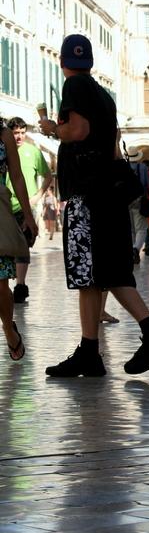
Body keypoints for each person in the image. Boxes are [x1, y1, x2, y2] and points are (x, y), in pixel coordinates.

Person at [40, 34, 149, 376]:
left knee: (101, 272)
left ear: (61, 62)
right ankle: (91, 350)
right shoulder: (104, 95)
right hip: (107, 194)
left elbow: (78, 129)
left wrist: (52, 129)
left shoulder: (74, 88)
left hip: (89, 195)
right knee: (95, 275)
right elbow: (111, 144)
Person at [0, 118, 38, 360]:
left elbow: (17, 176)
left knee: (1, 282)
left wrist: (28, 215)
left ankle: (7, 326)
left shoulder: (3, 134)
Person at [6, 116, 52, 303]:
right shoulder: (4, 151)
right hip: (6, 205)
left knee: (24, 245)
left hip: (28, 205)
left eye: (22, 133)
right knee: (7, 245)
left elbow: (48, 176)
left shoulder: (33, 152)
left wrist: (37, 196)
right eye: (16, 133)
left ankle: (20, 285)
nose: (19, 136)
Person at [127, 146, 149, 265]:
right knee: (141, 229)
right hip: (140, 201)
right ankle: (136, 249)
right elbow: (148, 186)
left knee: (131, 229)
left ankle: (131, 250)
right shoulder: (143, 168)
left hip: (126, 202)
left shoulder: (124, 167)